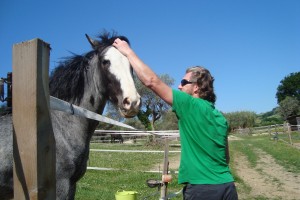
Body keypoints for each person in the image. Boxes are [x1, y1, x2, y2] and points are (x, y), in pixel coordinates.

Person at [113, 38, 238, 200]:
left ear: (197, 87)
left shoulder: (190, 105)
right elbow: (226, 158)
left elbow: (151, 81)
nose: (179, 86)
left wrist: (127, 51)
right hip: (227, 187)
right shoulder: (221, 118)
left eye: (183, 82)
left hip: (202, 190)